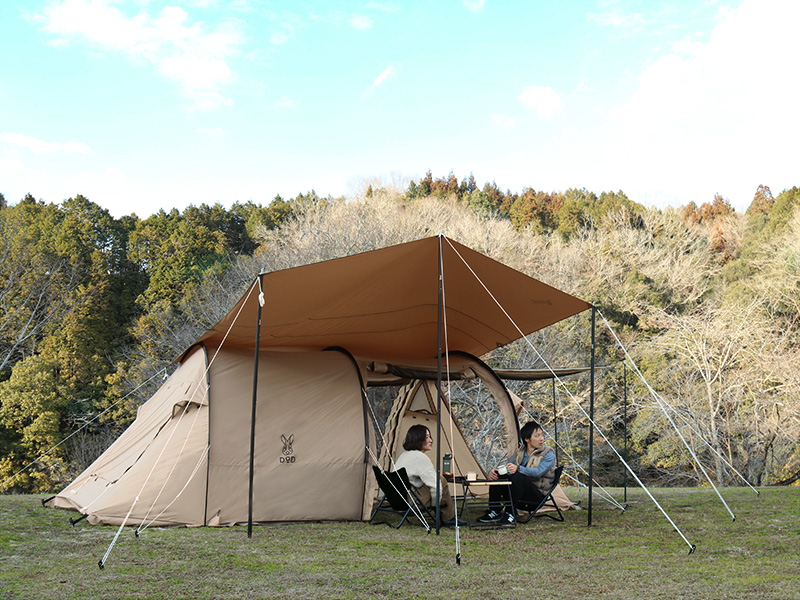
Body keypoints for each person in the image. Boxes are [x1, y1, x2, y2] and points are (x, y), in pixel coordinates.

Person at [478, 420, 556, 526]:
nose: (541, 439)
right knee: (500, 475)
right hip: (518, 493)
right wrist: (494, 472)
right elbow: (508, 468)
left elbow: (538, 472)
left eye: (542, 435)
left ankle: (510, 513)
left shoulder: (548, 453)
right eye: (537, 436)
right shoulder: (519, 452)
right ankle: (494, 510)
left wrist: (518, 469)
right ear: (527, 439)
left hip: (536, 495)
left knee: (518, 475)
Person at [393, 424, 462, 526]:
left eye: (430, 437)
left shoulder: (404, 455)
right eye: (427, 437)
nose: (431, 440)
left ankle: (448, 517)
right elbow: (435, 486)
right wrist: (435, 506)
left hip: (399, 501)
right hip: (412, 504)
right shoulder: (420, 458)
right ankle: (449, 518)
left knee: (435, 481)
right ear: (417, 439)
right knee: (440, 480)